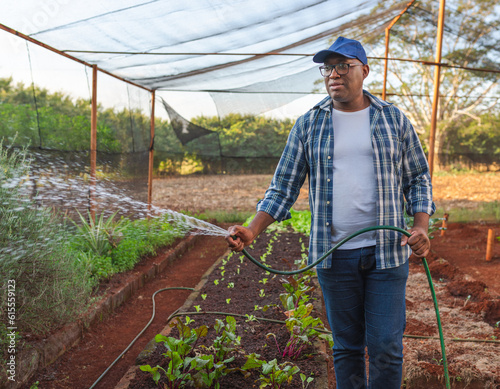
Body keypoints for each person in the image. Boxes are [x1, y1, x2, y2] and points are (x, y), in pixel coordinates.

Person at [226, 36, 435, 388]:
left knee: (385, 344)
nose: (334, 74)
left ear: (364, 71)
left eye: (343, 65)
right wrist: (251, 230)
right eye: (328, 67)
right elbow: (283, 187)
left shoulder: (393, 120)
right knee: (347, 347)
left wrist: (421, 225)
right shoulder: (309, 125)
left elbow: (418, 179)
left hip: (387, 253)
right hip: (333, 256)